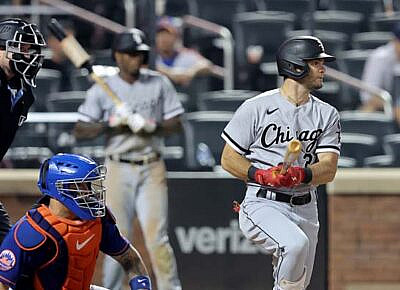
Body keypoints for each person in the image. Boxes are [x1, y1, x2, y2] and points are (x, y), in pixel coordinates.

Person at [220, 36, 341, 290]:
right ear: (295, 66)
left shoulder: (327, 114)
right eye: (316, 62)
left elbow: (328, 168)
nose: (322, 68)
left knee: (296, 284)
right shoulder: (256, 108)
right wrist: (261, 175)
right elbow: (228, 159)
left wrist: (301, 174)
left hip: (306, 206)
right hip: (263, 201)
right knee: (295, 245)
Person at [73, 28, 183, 290]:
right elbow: (80, 130)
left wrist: (151, 126)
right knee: (115, 236)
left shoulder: (158, 82)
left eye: (140, 54)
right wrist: (112, 124)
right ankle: (110, 289)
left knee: (157, 238)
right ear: (118, 56)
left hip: (151, 165)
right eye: (131, 54)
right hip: (117, 166)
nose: (137, 59)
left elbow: (176, 123)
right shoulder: (104, 87)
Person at [0, 153, 151, 290]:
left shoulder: (97, 220)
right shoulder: (30, 232)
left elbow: (130, 260)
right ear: (60, 189)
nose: (89, 192)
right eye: (80, 185)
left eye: (89, 185)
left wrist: (142, 286)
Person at [0, 18, 46, 243]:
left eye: (31, 50)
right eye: (22, 48)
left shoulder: (24, 93)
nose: (29, 56)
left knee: (8, 254)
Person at [155, 16, 214, 87]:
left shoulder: (186, 55)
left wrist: (190, 72)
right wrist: (170, 73)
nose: (164, 39)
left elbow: (207, 65)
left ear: (176, 37)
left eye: (168, 35)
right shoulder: (151, 56)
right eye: (161, 35)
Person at [359, 22, 400, 121]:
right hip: (384, 106)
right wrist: (394, 108)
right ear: (394, 41)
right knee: (367, 109)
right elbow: (367, 96)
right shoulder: (379, 57)